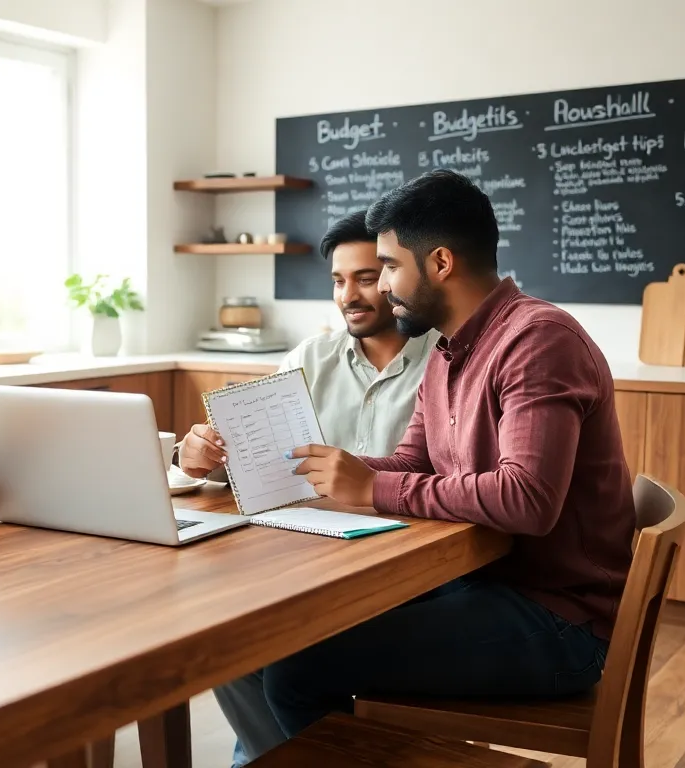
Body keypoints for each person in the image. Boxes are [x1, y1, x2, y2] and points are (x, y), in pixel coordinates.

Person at [266, 169, 635, 738]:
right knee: (296, 625)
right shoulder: (446, 350)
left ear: (439, 263)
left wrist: (369, 487)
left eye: (389, 266)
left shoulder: (538, 340)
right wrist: (334, 468)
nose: (383, 287)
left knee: (296, 666)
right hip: (490, 582)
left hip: (561, 621)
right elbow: (413, 463)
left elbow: (527, 499)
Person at [177, 212, 436, 766]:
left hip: (408, 566)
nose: (350, 295)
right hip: (305, 554)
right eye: (338, 281)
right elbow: (256, 457)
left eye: (367, 277)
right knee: (223, 642)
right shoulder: (308, 359)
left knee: (286, 655)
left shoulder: (446, 360)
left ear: (398, 276)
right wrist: (202, 456)